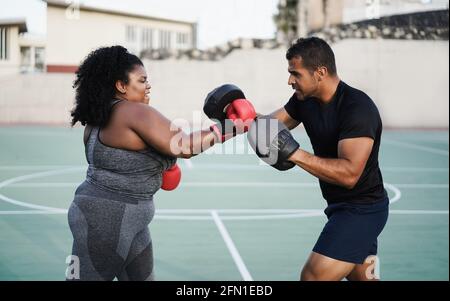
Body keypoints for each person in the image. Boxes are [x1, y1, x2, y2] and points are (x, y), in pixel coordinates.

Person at [67, 45, 255, 280]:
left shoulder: (98, 118)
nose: (148, 86)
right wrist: (229, 127)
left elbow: (126, 162)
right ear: (121, 85)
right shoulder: (135, 112)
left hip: (123, 218)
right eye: (142, 80)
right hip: (107, 221)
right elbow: (184, 146)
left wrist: (161, 164)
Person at [247, 37, 389, 281]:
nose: (290, 80)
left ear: (320, 72)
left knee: (314, 276)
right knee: (363, 279)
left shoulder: (357, 109)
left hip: (362, 209)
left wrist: (295, 153)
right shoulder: (305, 101)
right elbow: (269, 126)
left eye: (296, 73)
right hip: (338, 206)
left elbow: (349, 174)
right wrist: (239, 114)